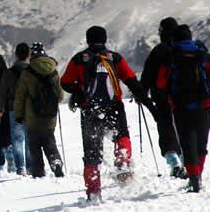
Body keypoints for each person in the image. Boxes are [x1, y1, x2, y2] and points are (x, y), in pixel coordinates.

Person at [61, 26, 153, 202]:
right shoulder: (114, 58)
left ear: (88, 40)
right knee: (121, 135)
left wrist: (79, 92)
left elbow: (65, 82)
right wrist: (145, 99)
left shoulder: (80, 59)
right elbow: (131, 80)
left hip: (89, 110)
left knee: (92, 153)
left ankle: (94, 192)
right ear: (104, 39)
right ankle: (122, 160)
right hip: (114, 107)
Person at [155, 24, 210, 193]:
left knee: (187, 145)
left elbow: (160, 84)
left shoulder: (171, 57)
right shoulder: (204, 56)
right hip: (204, 107)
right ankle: (198, 176)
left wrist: (166, 99)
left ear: (174, 39)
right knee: (201, 144)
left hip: (181, 108)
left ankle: (194, 179)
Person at [140, 17, 188, 178]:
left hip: (162, 97)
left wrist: (142, 92)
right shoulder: (186, 48)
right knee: (186, 129)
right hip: (186, 96)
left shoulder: (159, 50)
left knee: (166, 129)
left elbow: (147, 75)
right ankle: (190, 163)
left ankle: (174, 161)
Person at [13, 43, 64, 178]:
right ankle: (55, 161)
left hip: (32, 117)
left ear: (32, 55)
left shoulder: (27, 72)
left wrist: (18, 114)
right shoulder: (53, 71)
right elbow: (60, 96)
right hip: (50, 116)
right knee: (49, 141)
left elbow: (20, 96)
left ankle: (38, 173)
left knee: (34, 146)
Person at [0, 42, 31, 175]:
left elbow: (1, 92)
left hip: (13, 108)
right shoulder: (32, 71)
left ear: (16, 55)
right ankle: (30, 167)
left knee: (17, 139)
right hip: (30, 109)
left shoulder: (9, 72)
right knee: (29, 139)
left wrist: (0, 109)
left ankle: (20, 167)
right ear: (28, 55)